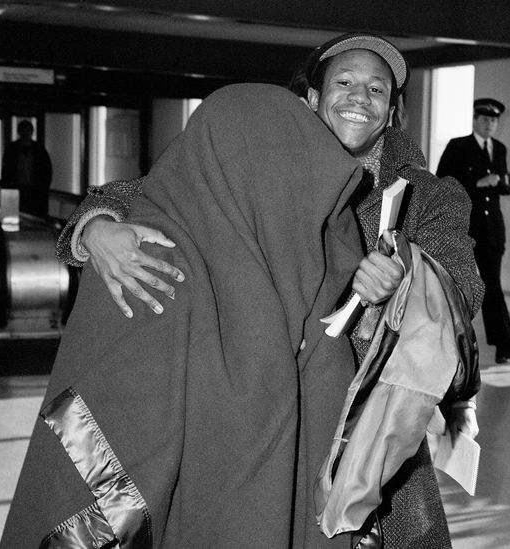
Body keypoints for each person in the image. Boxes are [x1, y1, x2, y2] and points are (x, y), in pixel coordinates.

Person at [51, 33, 483, 547]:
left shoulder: (428, 195)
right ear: (312, 100)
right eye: (344, 82)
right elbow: (166, 185)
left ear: (392, 112)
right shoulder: (260, 155)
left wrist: (402, 282)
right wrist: (97, 226)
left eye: (376, 90)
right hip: (251, 414)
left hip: (361, 435)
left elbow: (460, 284)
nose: (359, 98)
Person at [436, 98, 510, 364]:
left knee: (492, 284)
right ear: (475, 120)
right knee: (455, 285)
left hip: (491, 229)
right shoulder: (458, 146)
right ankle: (449, 344)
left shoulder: (498, 148)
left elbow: (500, 185)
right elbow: (443, 181)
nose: (491, 124)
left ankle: (504, 345)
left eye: (495, 120)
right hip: (464, 226)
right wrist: (477, 183)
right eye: (486, 119)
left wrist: (506, 184)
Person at [1, 119, 52, 218]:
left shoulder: (39, 150)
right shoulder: (12, 149)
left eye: (27, 131)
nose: (25, 133)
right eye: (23, 131)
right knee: (14, 217)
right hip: (16, 188)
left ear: (31, 132)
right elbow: (6, 170)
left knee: (32, 217)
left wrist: (43, 187)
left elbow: (46, 171)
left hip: (33, 190)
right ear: (19, 132)